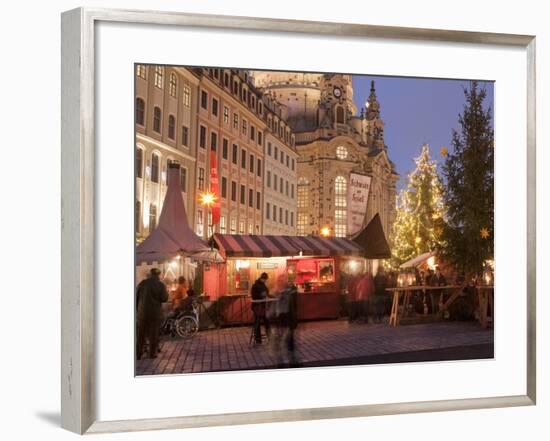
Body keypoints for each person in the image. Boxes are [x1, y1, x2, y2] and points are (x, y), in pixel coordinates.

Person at [136, 268, 169, 360]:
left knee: (140, 335)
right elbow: (164, 298)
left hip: (142, 314)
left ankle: (138, 354)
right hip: (155, 314)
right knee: (153, 335)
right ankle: (152, 354)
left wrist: (137, 311)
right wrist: (167, 293)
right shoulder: (161, 285)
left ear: (150, 274)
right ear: (159, 275)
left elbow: (136, 298)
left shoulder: (142, 284)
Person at [251, 272, 272, 344]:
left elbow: (265, 293)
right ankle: (263, 338)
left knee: (259, 322)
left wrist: (268, 296)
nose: (266, 281)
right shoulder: (258, 286)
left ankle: (259, 339)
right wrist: (265, 296)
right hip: (258, 306)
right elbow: (256, 296)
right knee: (263, 322)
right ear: (263, 279)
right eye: (265, 279)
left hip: (260, 306)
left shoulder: (259, 285)